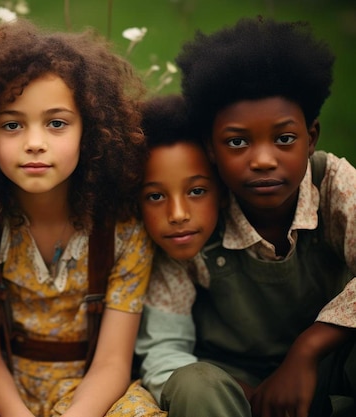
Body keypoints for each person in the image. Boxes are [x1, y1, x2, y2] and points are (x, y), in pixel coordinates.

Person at [0, 19, 166, 417]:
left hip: (94, 396)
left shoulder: (122, 231)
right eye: (12, 125)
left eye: (56, 123)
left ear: (89, 130)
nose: (34, 143)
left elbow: (112, 363)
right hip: (4, 396)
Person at [136, 16, 356, 417]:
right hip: (230, 383)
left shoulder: (331, 183)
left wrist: (307, 352)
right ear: (212, 150)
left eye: (284, 138)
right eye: (237, 141)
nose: (263, 160)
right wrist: (248, 397)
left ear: (312, 137)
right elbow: (165, 349)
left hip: (327, 366)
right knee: (192, 383)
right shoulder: (194, 219)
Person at [138, 94, 221, 262]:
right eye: (156, 196)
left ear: (223, 191)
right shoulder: (132, 258)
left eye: (196, 191)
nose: (178, 215)